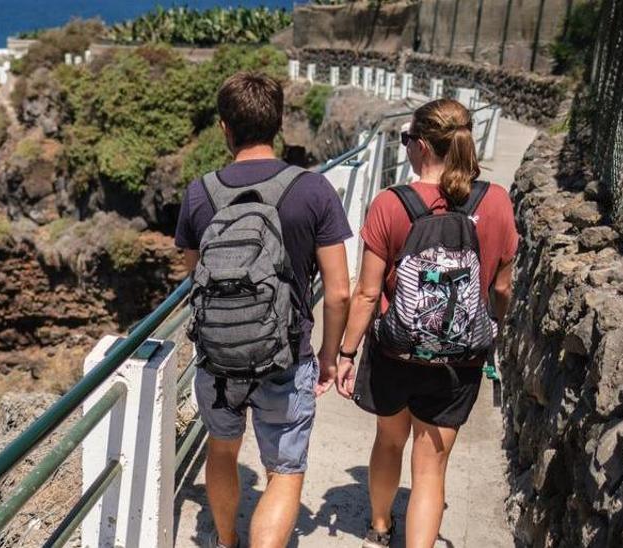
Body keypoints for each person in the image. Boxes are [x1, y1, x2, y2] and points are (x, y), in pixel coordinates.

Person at [176, 71, 352, 548]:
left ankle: (226, 540)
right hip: (286, 355)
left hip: (219, 360)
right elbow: (338, 292)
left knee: (222, 451)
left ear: (224, 128)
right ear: (278, 124)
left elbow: (196, 277)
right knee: (284, 471)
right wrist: (330, 356)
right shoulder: (313, 190)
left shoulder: (200, 192)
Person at [333, 98, 518, 548]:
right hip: (460, 360)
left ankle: (379, 528)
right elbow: (502, 289)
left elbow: (368, 293)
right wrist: (492, 328)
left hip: (395, 351)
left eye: (405, 139)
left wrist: (345, 352)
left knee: (389, 441)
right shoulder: (495, 202)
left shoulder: (391, 204)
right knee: (431, 467)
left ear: (418, 147)